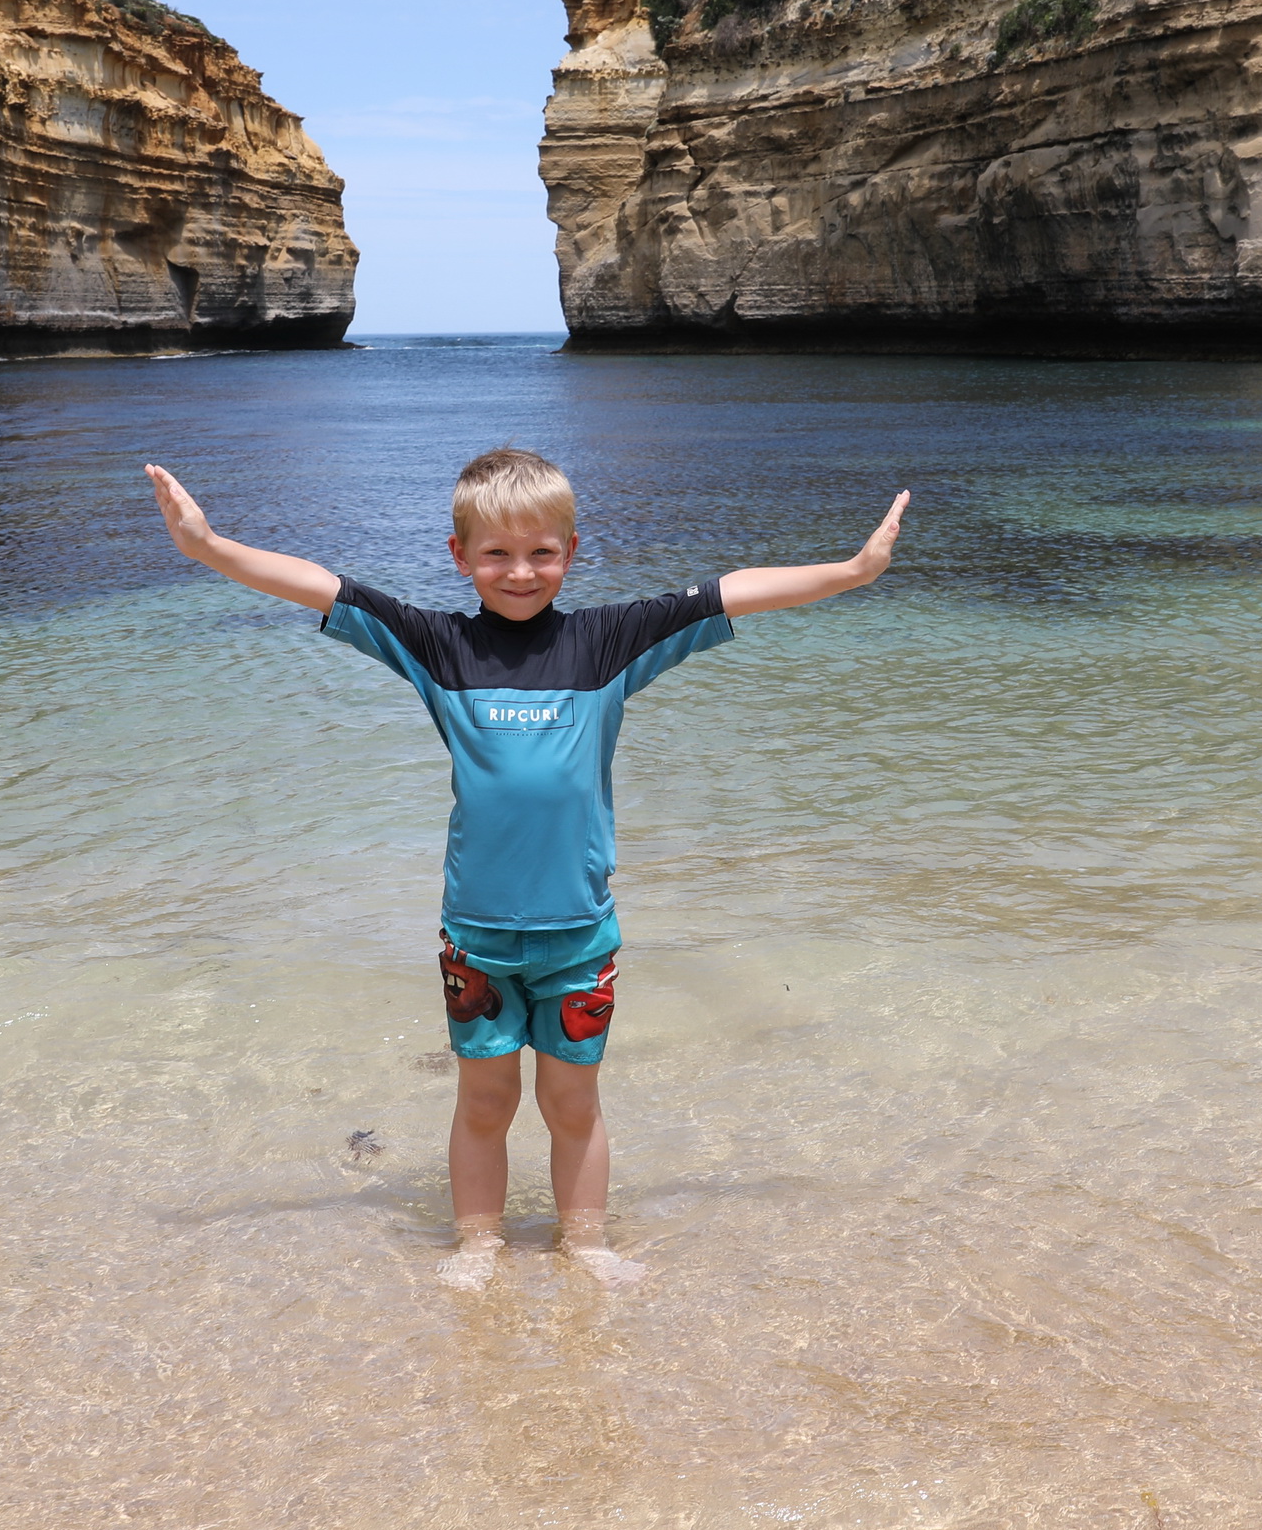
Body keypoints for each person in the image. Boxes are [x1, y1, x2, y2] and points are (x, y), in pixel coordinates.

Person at [142, 446, 908, 1292]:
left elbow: (730, 591)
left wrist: (851, 572)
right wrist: (210, 550)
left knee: (573, 1106)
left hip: (580, 935)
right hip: (478, 936)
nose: (519, 572)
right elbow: (323, 587)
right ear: (459, 557)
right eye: (496, 554)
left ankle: (587, 1243)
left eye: (542, 552)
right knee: (483, 1103)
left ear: (571, 554)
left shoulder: (608, 641)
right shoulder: (438, 647)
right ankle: (478, 1244)